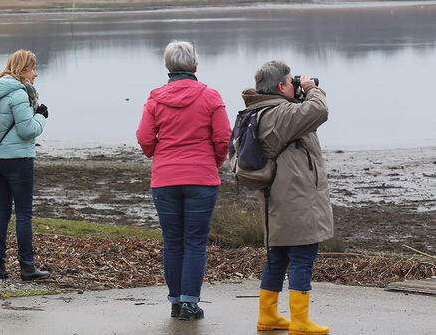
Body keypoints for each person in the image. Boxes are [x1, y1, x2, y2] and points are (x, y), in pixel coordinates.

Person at [136, 40, 230, 321]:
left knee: (173, 242)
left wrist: (157, 152)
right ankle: (190, 302)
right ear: (195, 66)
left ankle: (176, 302)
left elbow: (143, 138)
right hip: (201, 177)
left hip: (165, 178)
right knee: (195, 242)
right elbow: (223, 137)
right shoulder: (211, 96)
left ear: (167, 66)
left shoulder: (155, 98)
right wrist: (212, 162)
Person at [242, 61, 330, 335]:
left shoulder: (261, 111)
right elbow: (319, 110)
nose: (296, 84)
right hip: (296, 198)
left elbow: (305, 118)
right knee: (303, 256)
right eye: (292, 81)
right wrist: (312, 89)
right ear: (281, 86)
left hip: (278, 198)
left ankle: (268, 315)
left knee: (277, 256)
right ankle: (300, 322)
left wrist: (300, 93)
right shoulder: (280, 114)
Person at [0, 49, 50, 282]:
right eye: (33, 68)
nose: (36, 74)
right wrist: (41, 116)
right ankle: (27, 266)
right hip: (18, 160)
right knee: (23, 213)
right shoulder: (19, 94)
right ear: (22, 70)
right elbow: (27, 130)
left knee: (2, 211)